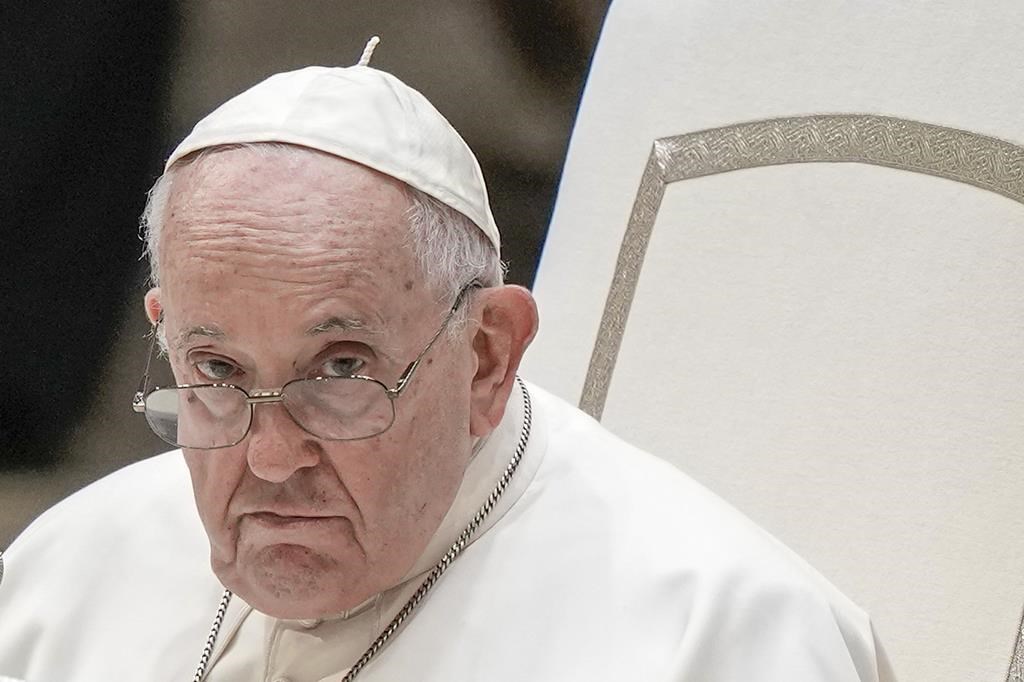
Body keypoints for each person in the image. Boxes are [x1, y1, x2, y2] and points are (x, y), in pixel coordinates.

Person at [0, 43, 897, 682]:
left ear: (487, 357)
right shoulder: (66, 575)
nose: (269, 460)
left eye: (341, 370)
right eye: (219, 373)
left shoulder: (722, 638)